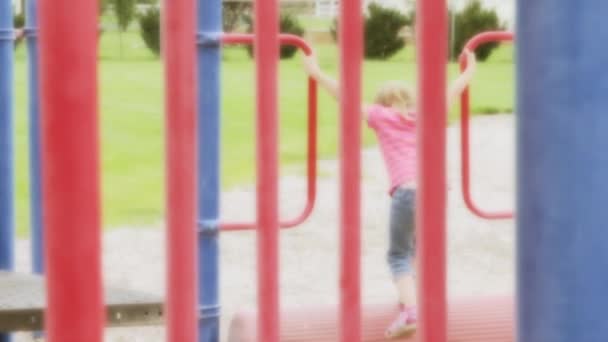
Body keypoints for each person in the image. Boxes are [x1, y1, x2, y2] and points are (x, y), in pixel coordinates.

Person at [301, 49, 477, 339]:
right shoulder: (430, 113)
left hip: (408, 191)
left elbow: (343, 95)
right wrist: (469, 68)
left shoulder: (381, 116)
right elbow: (455, 88)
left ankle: (411, 311)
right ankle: (417, 300)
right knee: (419, 249)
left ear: (383, 103)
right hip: (437, 192)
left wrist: (316, 73)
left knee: (398, 255)